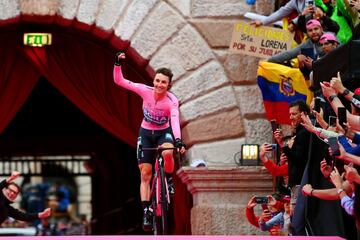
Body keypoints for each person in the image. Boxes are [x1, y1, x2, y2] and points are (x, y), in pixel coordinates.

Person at [113, 51, 186, 231]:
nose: (159, 85)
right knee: (145, 173)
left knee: (168, 152)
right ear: (154, 81)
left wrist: (178, 141)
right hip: (145, 132)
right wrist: (117, 64)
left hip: (163, 133)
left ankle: (167, 178)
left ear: (169, 85)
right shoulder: (144, 90)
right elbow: (120, 81)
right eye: (157, 81)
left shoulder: (171, 101)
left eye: (164, 82)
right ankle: (146, 209)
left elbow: (175, 120)